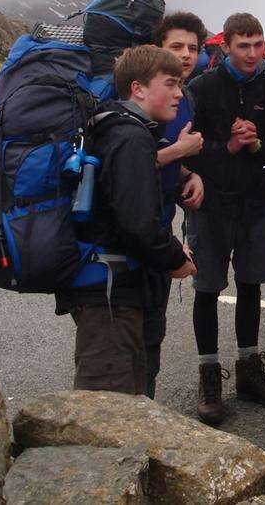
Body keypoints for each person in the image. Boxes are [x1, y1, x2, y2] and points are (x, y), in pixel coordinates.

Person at [55, 45, 196, 395]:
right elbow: (137, 223)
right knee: (108, 397)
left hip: (102, 283)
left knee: (127, 386)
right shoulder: (130, 137)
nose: (179, 93)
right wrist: (176, 258)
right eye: (170, 83)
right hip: (108, 292)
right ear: (138, 88)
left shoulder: (111, 125)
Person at [185, 12, 265, 426]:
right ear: (227, 47)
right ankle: (209, 379)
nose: (252, 53)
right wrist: (228, 146)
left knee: (251, 286)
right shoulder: (199, 89)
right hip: (210, 208)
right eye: (243, 46)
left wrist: (258, 147)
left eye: (258, 44)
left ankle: (249, 373)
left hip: (255, 204)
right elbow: (188, 151)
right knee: (207, 289)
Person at [139, 11, 208, 399]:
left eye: (193, 48)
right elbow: (126, 161)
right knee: (129, 335)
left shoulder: (186, 95)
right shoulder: (137, 95)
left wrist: (188, 174)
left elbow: (172, 156)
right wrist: (178, 152)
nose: (186, 55)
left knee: (153, 331)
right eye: (176, 46)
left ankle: (144, 414)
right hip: (133, 229)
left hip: (161, 221)